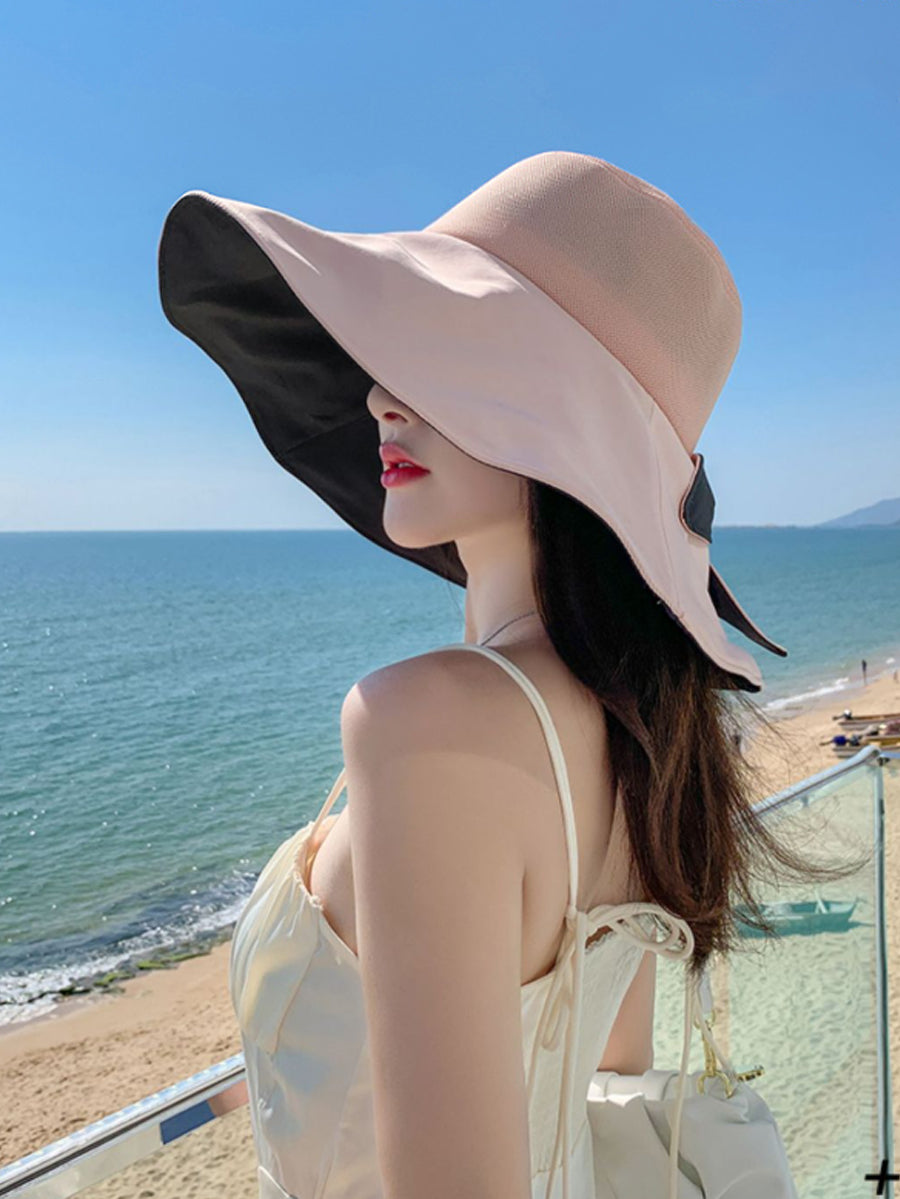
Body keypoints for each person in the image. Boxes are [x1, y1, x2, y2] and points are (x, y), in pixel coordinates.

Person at [158, 151, 866, 1199]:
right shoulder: (640, 723)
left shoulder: (431, 723)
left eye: (445, 353)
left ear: (569, 419)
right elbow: (602, 1072)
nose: (380, 394)